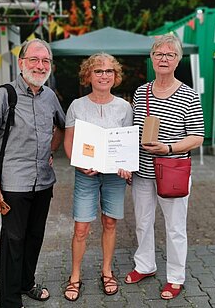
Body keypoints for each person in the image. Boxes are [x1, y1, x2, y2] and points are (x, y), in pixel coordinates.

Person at [0, 38, 65, 308]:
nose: (40, 65)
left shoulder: (50, 96)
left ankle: (27, 283)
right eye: (35, 60)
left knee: (35, 238)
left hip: (43, 182)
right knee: (13, 242)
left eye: (45, 61)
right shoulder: (3, 95)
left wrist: (52, 149)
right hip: (13, 184)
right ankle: (10, 301)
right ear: (21, 62)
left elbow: (62, 126)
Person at [125, 34, 205, 300]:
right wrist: (126, 161)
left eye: (170, 54)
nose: (164, 58)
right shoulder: (141, 91)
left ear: (178, 60)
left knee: (175, 228)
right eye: (159, 54)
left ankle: (175, 277)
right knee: (143, 223)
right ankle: (145, 265)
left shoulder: (189, 95)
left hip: (172, 172)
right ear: (151, 57)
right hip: (143, 172)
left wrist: (168, 148)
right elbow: (134, 131)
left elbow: (197, 136)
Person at [63, 53, 133, 301]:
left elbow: (127, 146)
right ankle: (75, 276)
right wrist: (80, 165)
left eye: (109, 71)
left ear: (115, 76)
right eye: (98, 71)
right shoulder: (77, 106)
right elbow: (69, 143)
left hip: (114, 176)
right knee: (81, 227)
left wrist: (126, 166)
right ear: (88, 75)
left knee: (110, 223)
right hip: (86, 175)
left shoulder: (125, 107)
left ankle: (106, 271)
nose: (104, 75)